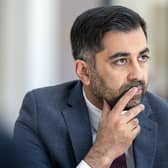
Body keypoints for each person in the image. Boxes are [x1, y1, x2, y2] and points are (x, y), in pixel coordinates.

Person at [14, 5, 168, 168]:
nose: (137, 74)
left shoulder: (164, 116)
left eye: (143, 57)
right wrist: (102, 154)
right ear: (84, 71)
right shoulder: (40, 113)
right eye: (121, 61)